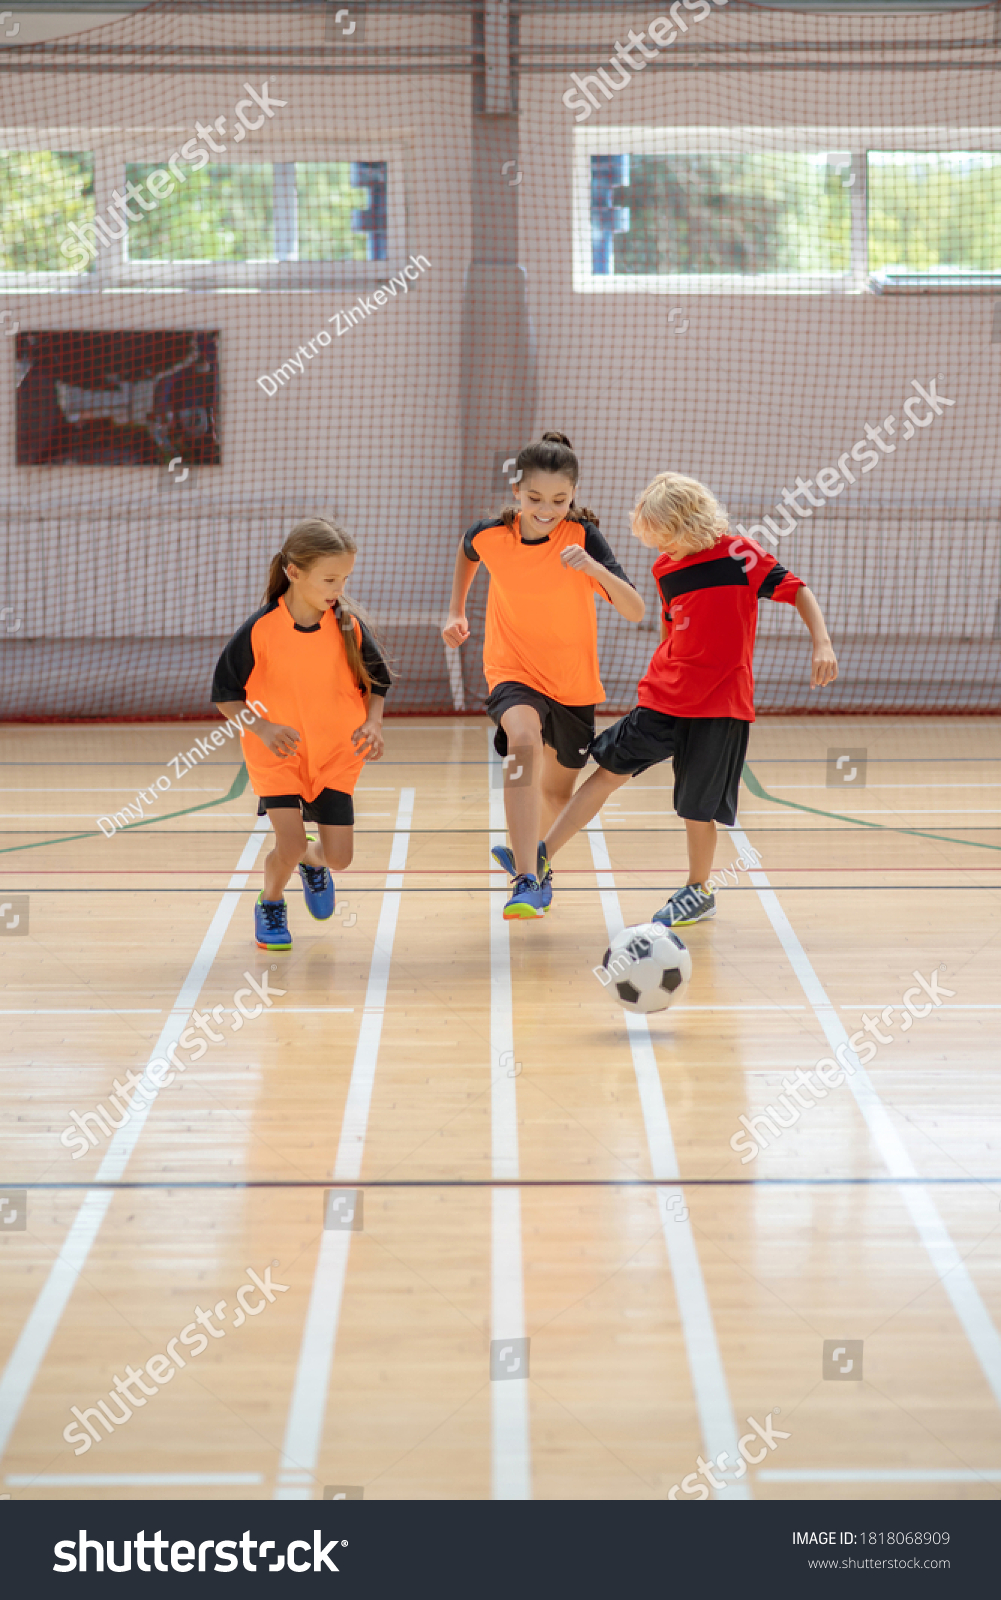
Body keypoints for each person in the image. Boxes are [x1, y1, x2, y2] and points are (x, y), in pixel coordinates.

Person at [539, 471, 838, 926]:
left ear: (689, 524)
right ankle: (539, 857)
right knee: (606, 773)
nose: (660, 549)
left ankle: (698, 890)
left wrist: (822, 643)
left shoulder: (740, 555)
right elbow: (670, 627)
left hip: (720, 705)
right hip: (664, 696)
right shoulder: (665, 568)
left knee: (696, 808)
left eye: (665, 538)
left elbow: (799, 592)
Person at [442, 431, 645, 919]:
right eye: (535, 498)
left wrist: (596, 569)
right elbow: (469, 552)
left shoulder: (582, 538)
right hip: (511, 669)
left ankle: (537, 857)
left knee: (557, 793)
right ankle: (526, 876)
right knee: (523, 745)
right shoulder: (490, 533)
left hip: (572, 682)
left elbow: (635, 610)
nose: (547, 508)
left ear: (574, 495)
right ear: (516, 491)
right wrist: (455, 610)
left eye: (560, 499)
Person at [211, 518, 390, 951]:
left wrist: (373, 723)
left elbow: (378, 683)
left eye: (344, 578)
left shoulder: (349, 627)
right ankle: (270, 902)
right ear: (294, 572)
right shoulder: (260, 630)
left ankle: (315, 863)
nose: (338, 588)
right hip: (278, 754)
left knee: (339, 858)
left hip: (333, 754)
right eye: (330, 578)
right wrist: (264, 728)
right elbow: (225, 695)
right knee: (287, 842)